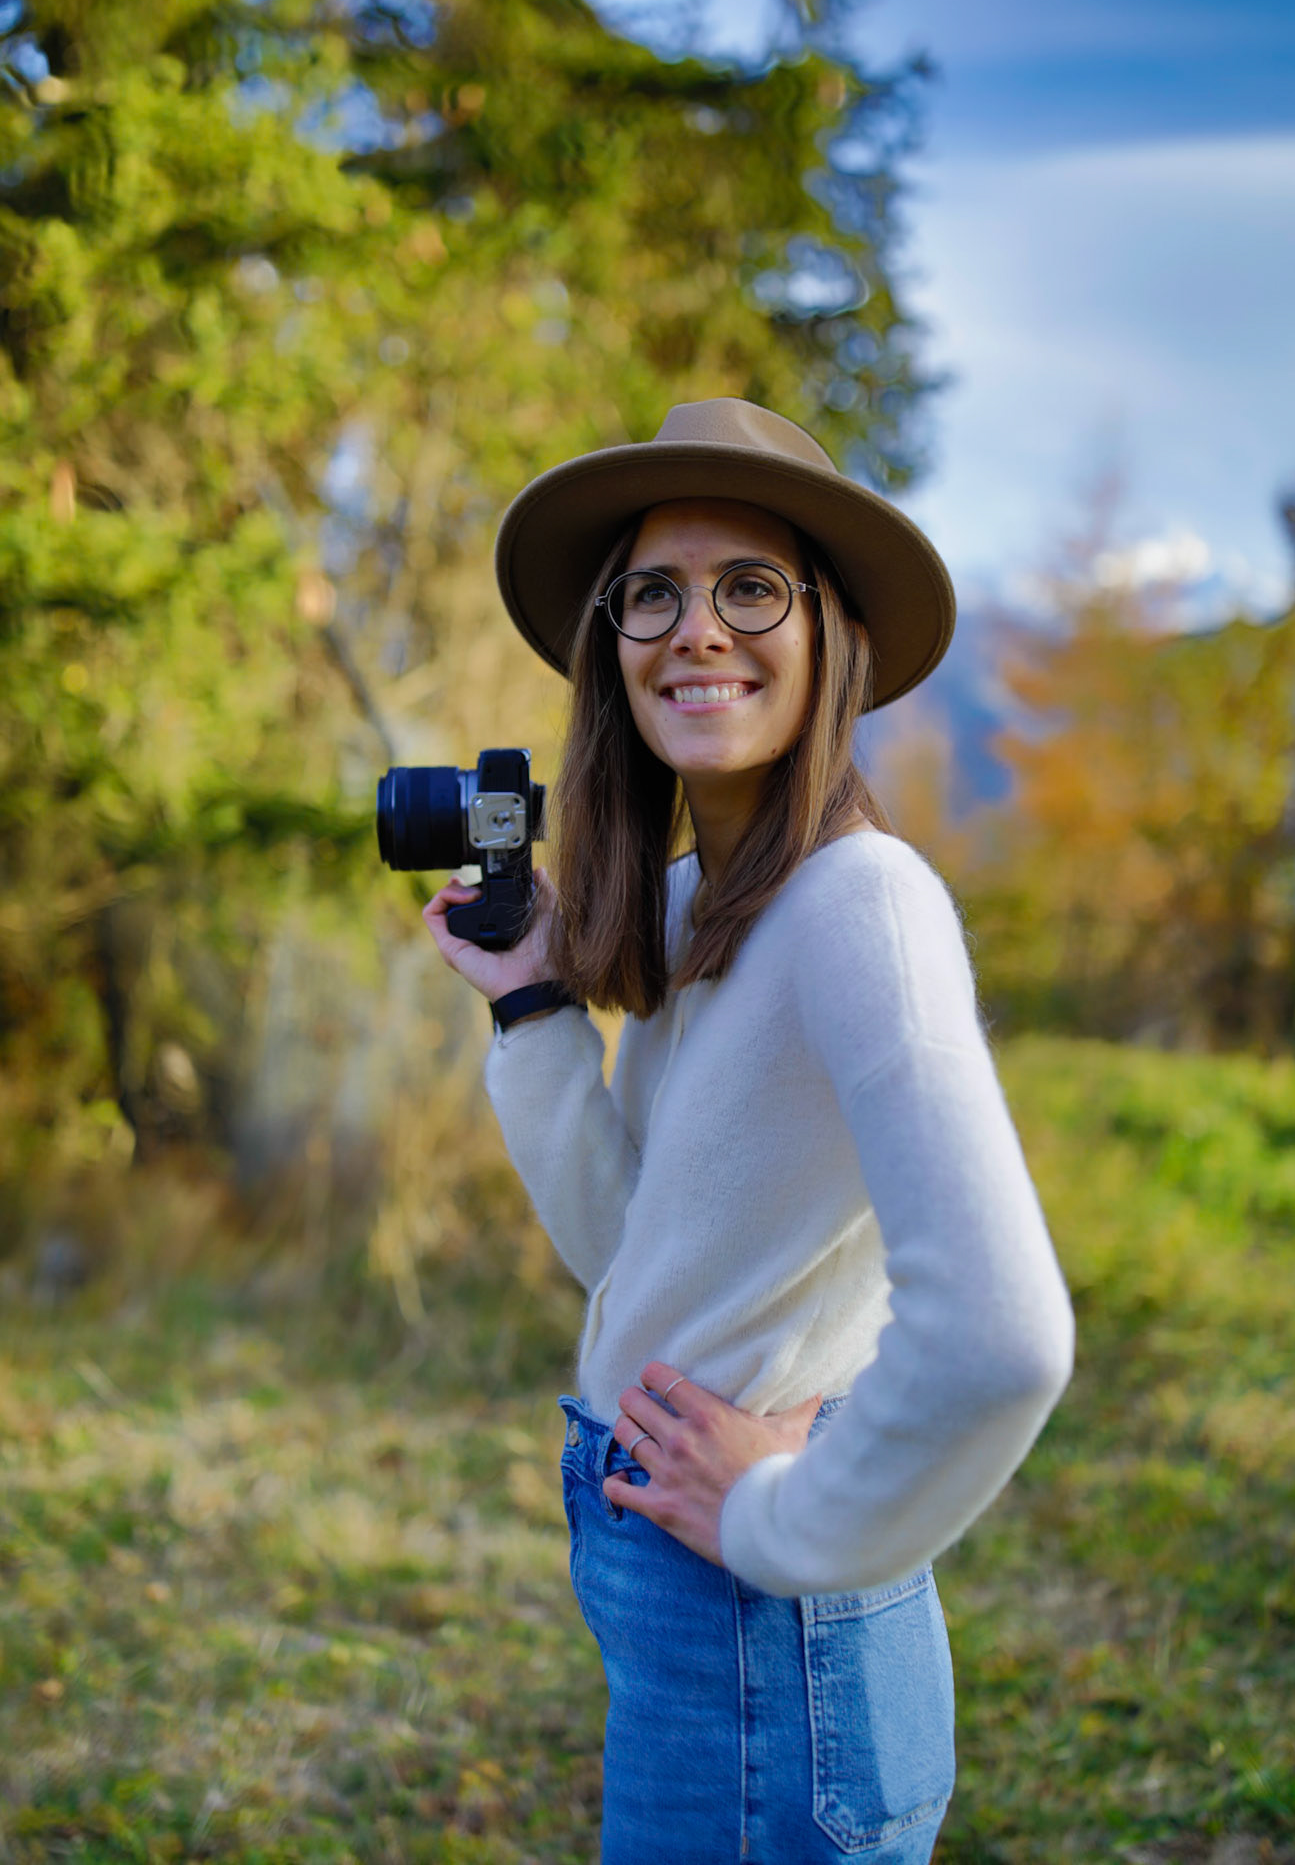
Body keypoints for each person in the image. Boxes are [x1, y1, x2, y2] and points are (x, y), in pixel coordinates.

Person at [422, 398, 1075, 1864]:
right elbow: (638, 1257)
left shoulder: (862, 904)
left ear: (832, 633)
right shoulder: (693, 910)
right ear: (612, 645)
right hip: (685, 1610)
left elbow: (1003, 1335)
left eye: (751, 588)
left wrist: (789, 1516)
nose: (696, 630)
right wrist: (533, 1011)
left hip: (770, 1635)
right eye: (652, 594)